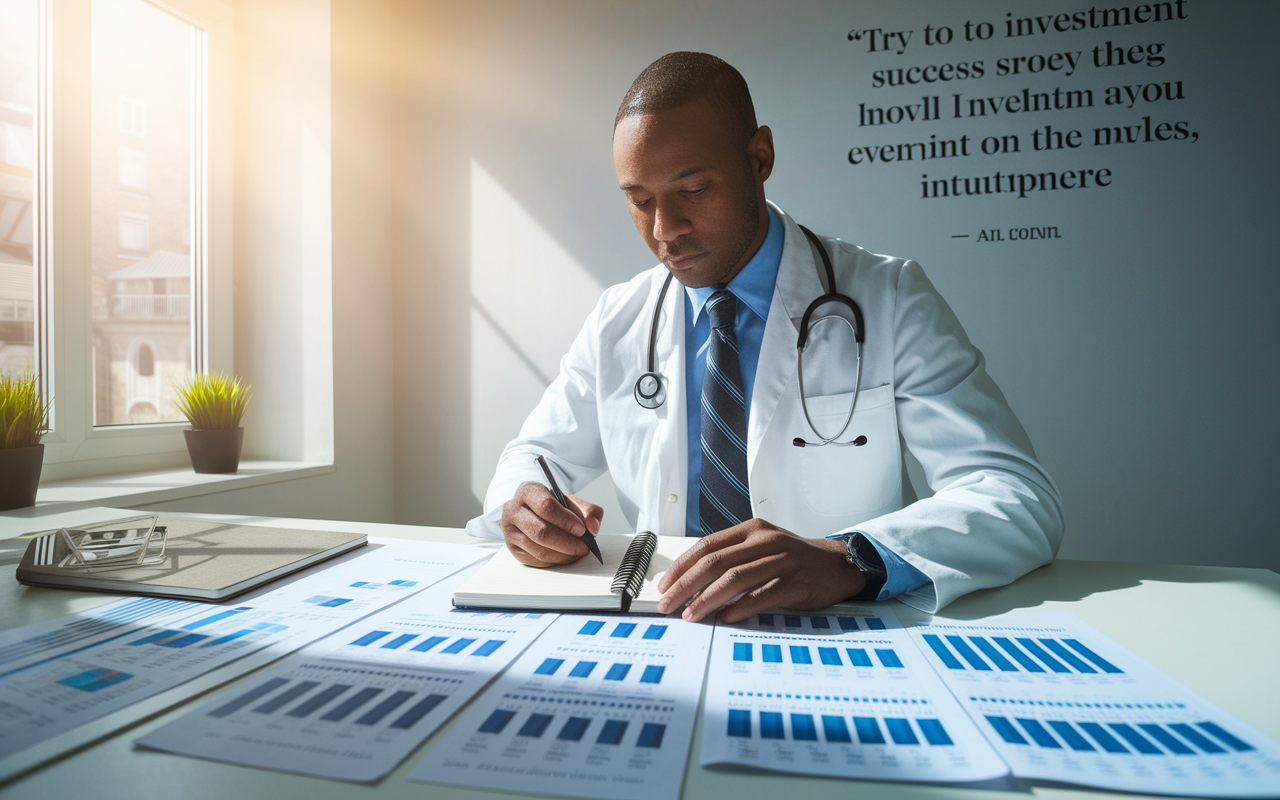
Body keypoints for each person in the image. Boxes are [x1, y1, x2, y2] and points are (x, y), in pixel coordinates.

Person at [466, 52, 1063, 621]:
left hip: (839, 635)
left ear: (759, 157)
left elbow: (1016, 498)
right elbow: (532, 459)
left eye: (692, 190)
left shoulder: (888, 296)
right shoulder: (618, 319)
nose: (664, 229)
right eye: (640, 200)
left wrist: (852, 557)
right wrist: (526, 507)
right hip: (662, 629)